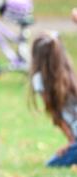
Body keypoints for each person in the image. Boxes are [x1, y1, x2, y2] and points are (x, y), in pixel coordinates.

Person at [30, 33, 77, 168]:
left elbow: (57, 116)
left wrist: (71, 142)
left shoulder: (39, 81)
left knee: (51, 164)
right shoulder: (68, 71)